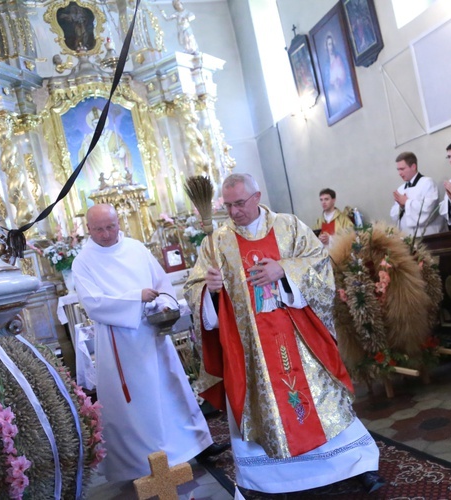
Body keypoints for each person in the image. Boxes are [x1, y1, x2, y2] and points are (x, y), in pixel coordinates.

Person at [183, 174, 384, 496]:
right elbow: (194, 289)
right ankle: (269, 480)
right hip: (250, 349)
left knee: (324, 401)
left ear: (257, 196)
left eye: (239, 203)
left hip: (299, 340)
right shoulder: (216, 241)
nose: (233, 212)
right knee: (259, 407)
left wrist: (284, 270)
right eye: (228, 205)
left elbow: (320, 264)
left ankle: (356, 464)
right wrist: (210, 290)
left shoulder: (288, 226)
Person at [72, 204, 228, 482]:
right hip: (119, 342)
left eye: (111, 226)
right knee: (139, 404)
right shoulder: (83, 261)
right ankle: (142, 465)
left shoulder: (135, 248)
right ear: (88, 229)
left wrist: (165, 304)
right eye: (99, 229)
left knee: (172, 390)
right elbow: (93, 304)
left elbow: (162, 283)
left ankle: (197, 446)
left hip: (153, 333)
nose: (106, 234)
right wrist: (137, 298)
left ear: (119, 222)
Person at [391, 151, 444, 236]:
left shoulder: (427, 183)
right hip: (407, 237)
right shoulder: (400, 189)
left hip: (428, 236)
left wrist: (406, 202)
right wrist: (401, 208)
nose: (399, 173)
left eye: (402, 169)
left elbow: (428, 209)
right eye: (398, 169)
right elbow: (394, 216)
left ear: (413, 166)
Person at [324, 33, 355, 116]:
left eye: (331, 44)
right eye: (329, 44)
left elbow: (347, 73)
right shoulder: (326, 65)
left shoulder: (339, 58)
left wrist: (340, 81)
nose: (330, 47)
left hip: (344, 89)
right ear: (326, 47)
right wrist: (333, 83)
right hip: (335, 93)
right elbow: (327, 82)